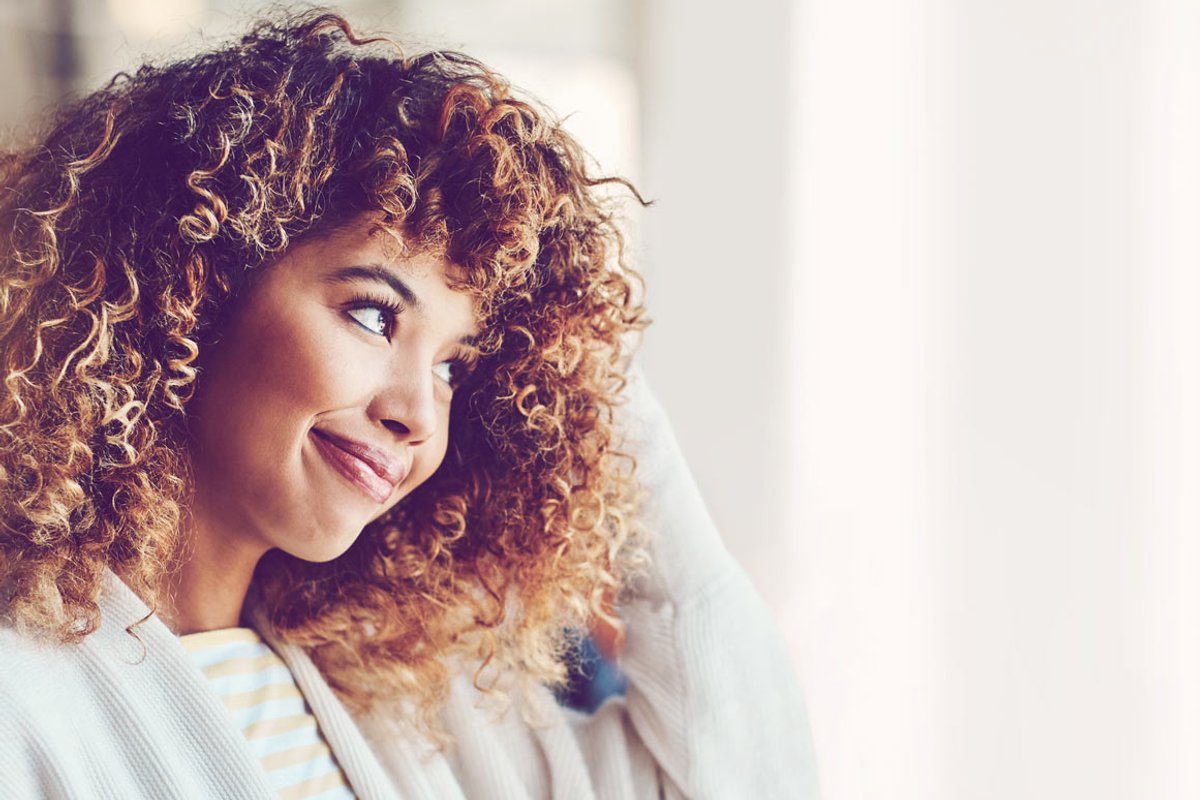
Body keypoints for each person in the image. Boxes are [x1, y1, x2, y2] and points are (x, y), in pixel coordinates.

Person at [0, 10, 817, 799]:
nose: (418, 417)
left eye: (454, 368)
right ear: (191, 285)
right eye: (372, 315)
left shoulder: (413, 712)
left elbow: (747, 781)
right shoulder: (23, 698)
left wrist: (586, 378)